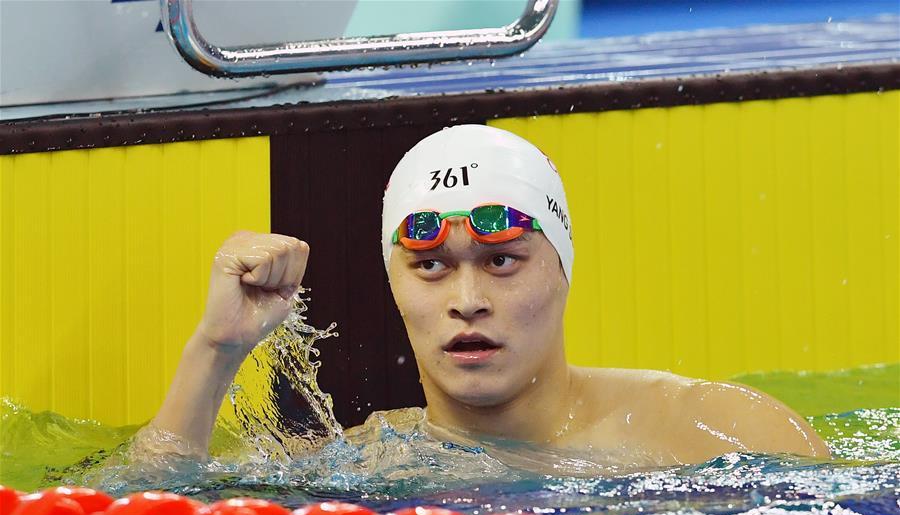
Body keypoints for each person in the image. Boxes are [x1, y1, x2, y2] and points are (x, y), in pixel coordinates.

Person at [135, 125, 828, 469]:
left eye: (502, 260)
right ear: (396, 287)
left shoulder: (718, 430)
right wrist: (215, 350)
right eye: (431, 266)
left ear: (563, 268)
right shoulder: (370, 464)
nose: (468, 299)